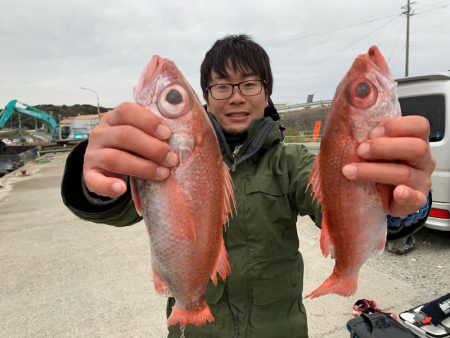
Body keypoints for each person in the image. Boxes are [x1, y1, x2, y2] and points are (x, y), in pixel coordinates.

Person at [61, 34, 435, 338]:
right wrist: (95, 178)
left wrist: (403, 202)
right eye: (222, 86)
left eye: (250, 84)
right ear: (206, 97)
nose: (237, 96)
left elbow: (343, 205)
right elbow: (121, 204)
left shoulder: (291, 162)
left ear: (267, 92)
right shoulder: (162, 160)